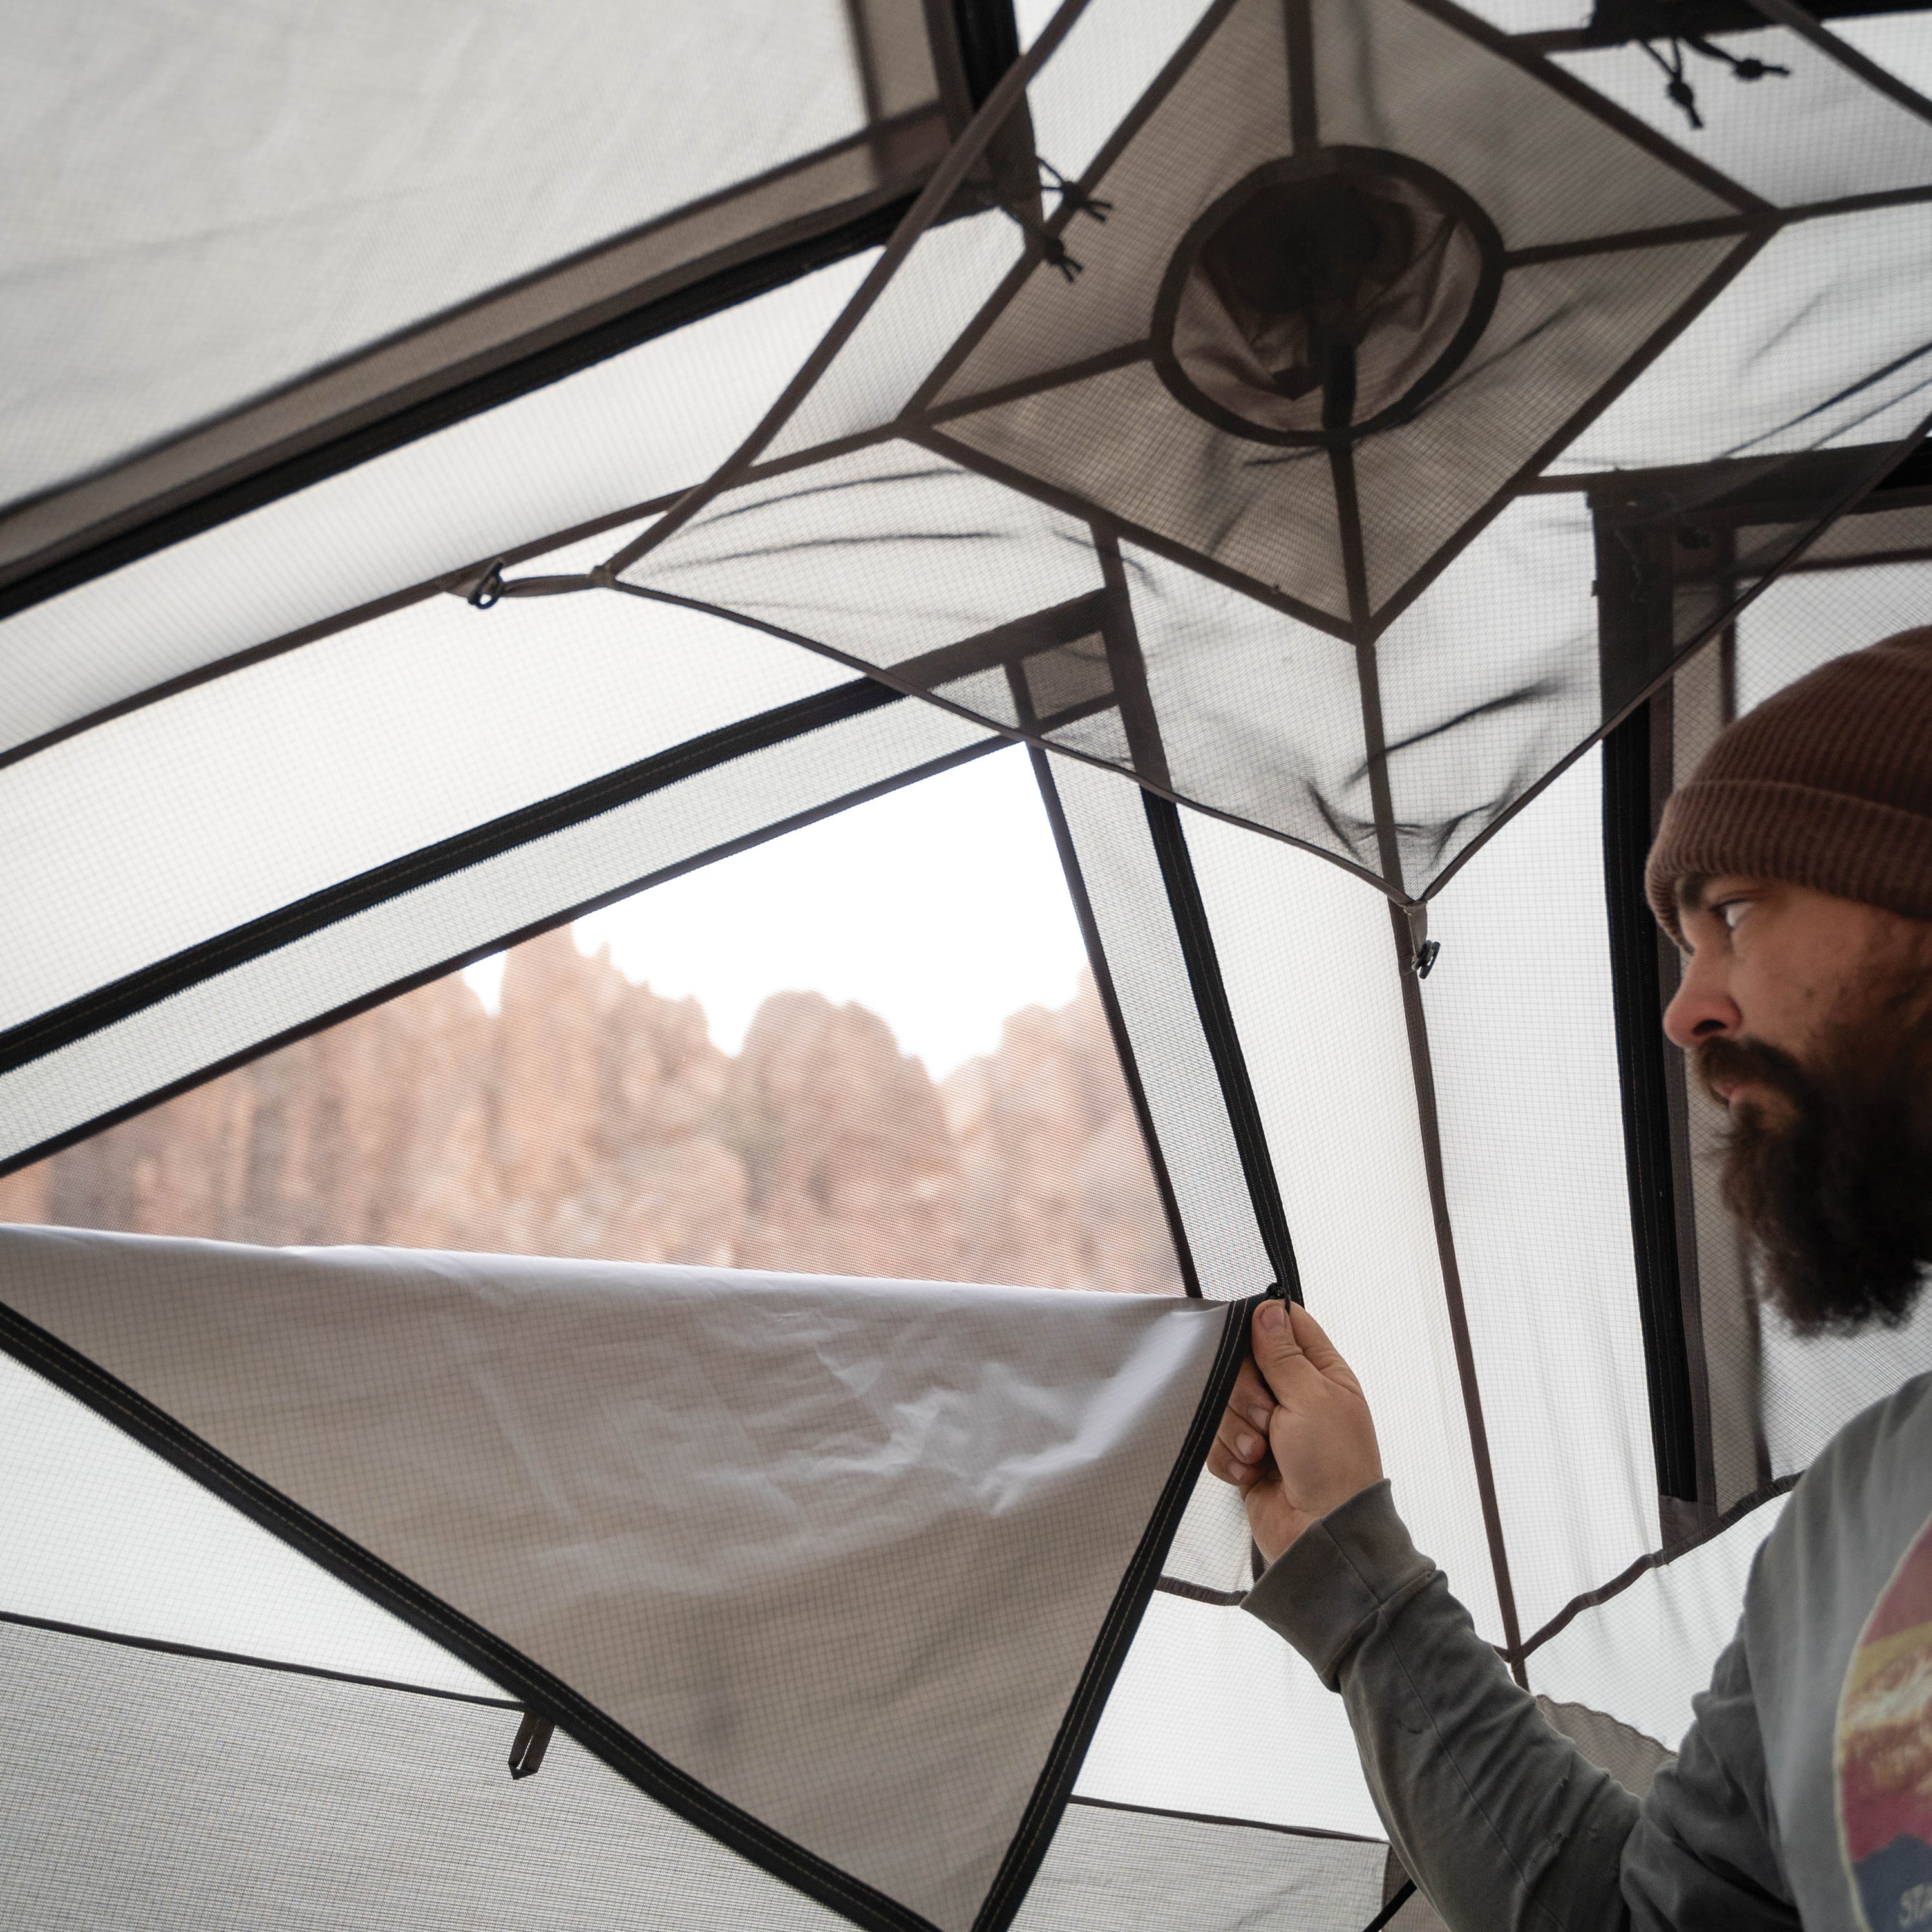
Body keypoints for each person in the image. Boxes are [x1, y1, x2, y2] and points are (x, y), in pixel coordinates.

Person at [1209, 627, 1932, 1930]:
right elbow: (1631, 1919)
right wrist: (1341, 1554)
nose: (1686, 1007)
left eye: (1735, 913)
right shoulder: (1853, 1525)